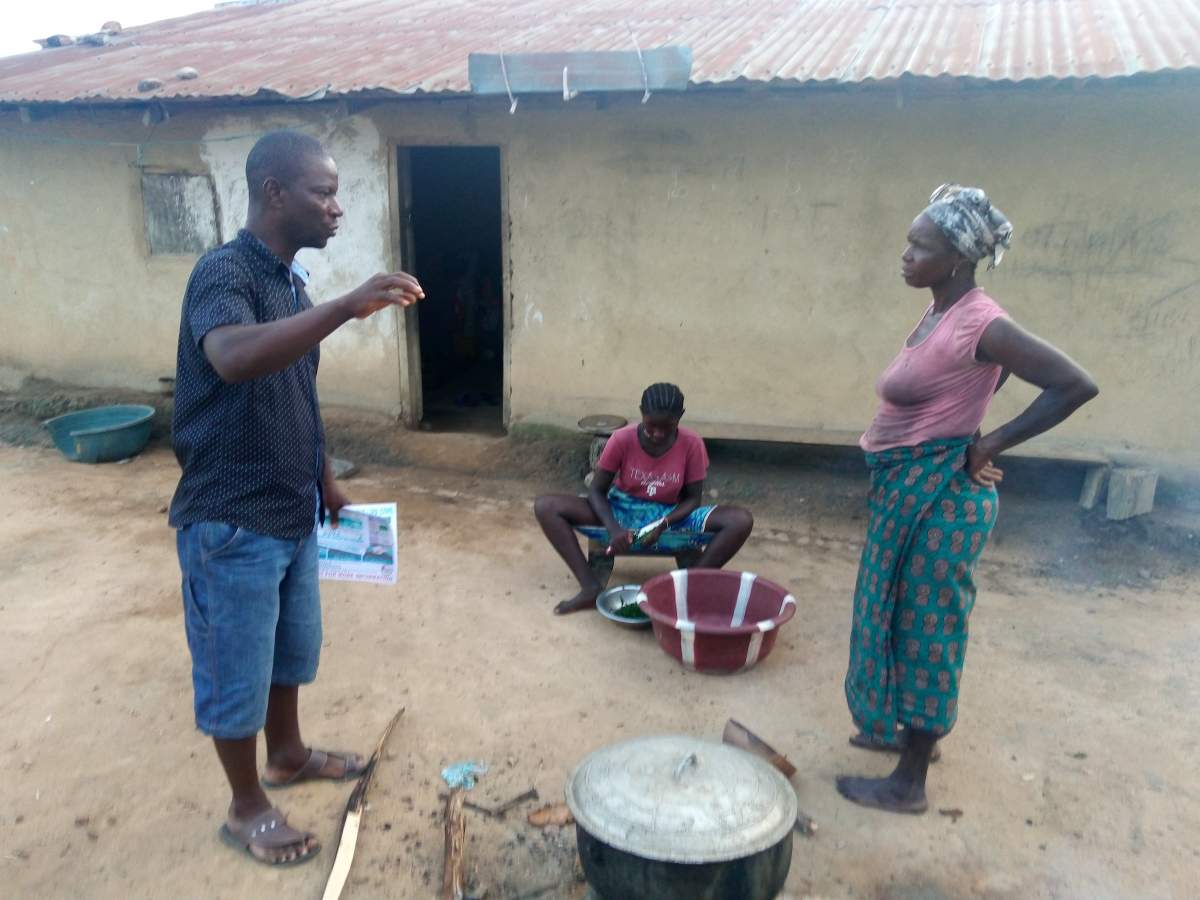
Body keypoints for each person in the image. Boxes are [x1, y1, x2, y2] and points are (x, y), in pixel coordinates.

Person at [169, 130, 424, 865]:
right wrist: (346, 306)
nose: (337, 208)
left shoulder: (289, 281)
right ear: (274, 192)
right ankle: (246, 807)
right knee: (235, 669)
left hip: (291, 507)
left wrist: (325, 478)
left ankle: (287, 753)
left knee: (289, 651)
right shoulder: (225, 272)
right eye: (322, 192)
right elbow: (235, 357)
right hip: (230, 516)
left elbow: (296, 388)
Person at [837, 184, 1098, 814]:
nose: (905, 254)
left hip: (941, 503)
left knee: (929, 631)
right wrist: (970, 421)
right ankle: (907, 734)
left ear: (957, 258)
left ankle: (910, 783)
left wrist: (990, 444)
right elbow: (979, 376)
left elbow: (1074, 384)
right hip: (910, 487)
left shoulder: (982, 320)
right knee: (895, 612)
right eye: (909, 241)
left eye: (920, 246)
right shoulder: (939, 312)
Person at [534, 383, 754, 615]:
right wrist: (614, 528)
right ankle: (590, 587)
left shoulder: (692, 444)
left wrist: (663, 523)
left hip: (671, 515)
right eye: (651, 426)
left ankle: (687, 587)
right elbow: (597, 491)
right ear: (641, 413)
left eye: (667, 427)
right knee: (546, 506)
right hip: (622, 509)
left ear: (680, 417)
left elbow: (692, 500)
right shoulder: (621, 439)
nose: (658, 434)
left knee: (740, 520)